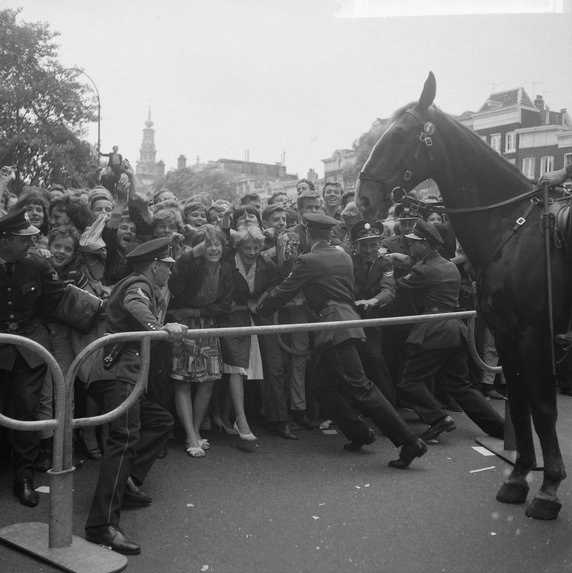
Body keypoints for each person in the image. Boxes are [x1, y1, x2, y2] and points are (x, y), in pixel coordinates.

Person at [255, 213, 428, 469]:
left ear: (307, 233)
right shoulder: (343, 257)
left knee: (361, 387)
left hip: (333, 326)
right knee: (320, 385)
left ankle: (409, 441)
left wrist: (261, 308)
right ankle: (359, 432)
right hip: (346, 322)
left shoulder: (308, 260)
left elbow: (285, 290)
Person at [84, 236, 187, 555]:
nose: (170, 272)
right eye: (168, 266)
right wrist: (161, 328)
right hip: (118, 374)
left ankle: (126, 483)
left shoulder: (138, 282)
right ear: (155, 266)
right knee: (124, 440)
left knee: (159, 421)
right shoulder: (139, 284)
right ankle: (101, 524)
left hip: (123, 374)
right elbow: (136, 307)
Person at [395, 220, 504, 442]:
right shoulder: (448, 265)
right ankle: (500, 427)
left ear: (425, 245)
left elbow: (400, 286)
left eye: (414, 243)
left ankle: (438, 419)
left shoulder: (423, 270)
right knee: (459, 386)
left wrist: (390, 270)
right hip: (454, 329)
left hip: (434, 330)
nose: (409, 245)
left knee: (408, 381)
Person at [0, 209, 66, 506]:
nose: (30, 244)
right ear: (4, 240)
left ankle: (24, 477)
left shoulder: (38, 265)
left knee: (24, 409)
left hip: (30, 346)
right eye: (23, 239)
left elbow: (57, 297)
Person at [351, 220, 397, 404]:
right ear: (356, 245)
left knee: (376, 360)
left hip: (372, 318)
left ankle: (389, 406)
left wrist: (372, 301)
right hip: (350, 318)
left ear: (379, 244)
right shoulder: (348, 261)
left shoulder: (385, 263)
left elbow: (389, 289)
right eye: (364, 245)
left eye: (373, 245)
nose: (369, 250)